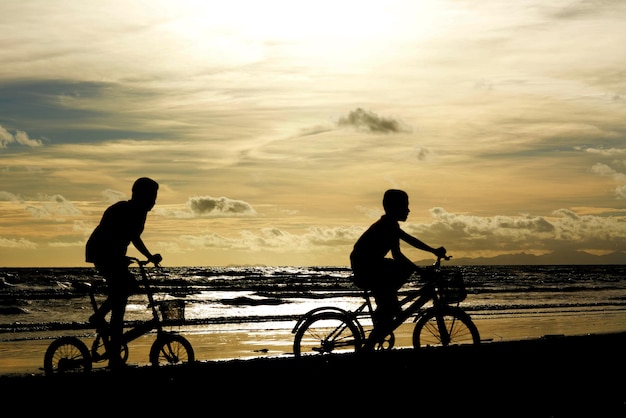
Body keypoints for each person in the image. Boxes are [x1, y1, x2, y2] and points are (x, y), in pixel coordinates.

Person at [350, 189, 446, 347]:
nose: (408, 210)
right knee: (402, 273)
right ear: (395, 207)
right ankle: (386, 310)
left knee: (393, 289)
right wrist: (420, 270)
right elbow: (403, 249)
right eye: (405, 206)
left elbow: (403, 247)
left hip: (370, 266)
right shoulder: (387, 225)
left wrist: (432, 252)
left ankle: (388, 306)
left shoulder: (390, 225)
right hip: (366, 268)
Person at [85, 177, 162, 369]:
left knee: (123, 296)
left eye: (155, 197)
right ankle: (100, 321)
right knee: (123, 293)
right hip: (101, 252)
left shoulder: (140, 212)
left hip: (112, 254)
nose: (153, 201)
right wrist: (143, 256)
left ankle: (113, 353)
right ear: (139, 195)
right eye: (151, 196)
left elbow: (131, 237)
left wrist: (145, 257)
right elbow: (117, 236)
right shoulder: (124, 210)